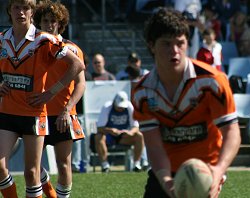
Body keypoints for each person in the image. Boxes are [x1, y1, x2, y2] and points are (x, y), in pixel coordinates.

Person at [131, 8, 241, 198]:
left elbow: (231, 132)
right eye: (166, 44)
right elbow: (154, 146)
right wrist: (166, 181)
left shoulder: (212, 81)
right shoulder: (142, 92)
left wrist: (218, 171)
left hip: (205, 172)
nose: (174, 51)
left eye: (180, 43)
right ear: (151, 45)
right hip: (166, 172)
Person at [0, 0, 85, 197]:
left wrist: (51, 92)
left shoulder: (44, 40)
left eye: (25, 8)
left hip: (35, 114)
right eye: (16, 7)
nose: (20, 12)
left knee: (32, 173)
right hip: (7, 112)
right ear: (9, 11)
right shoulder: (2, 38)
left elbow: (77, 66)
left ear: (32, 12)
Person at [33, 1, 86, 197]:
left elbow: (81, 84)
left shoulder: (72, 49)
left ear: (60, 24)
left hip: (63, 114)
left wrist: (67, 109)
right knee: (34, 166)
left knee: (64, 166)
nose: (49, 24)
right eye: (45, 20)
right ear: (39, 22)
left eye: (53, 21)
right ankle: (51, 194)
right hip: (36, 113)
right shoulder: (33, 48)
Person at [95, 91, 146, 172]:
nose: (120, 109)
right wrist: (110, 130)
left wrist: (130, 132)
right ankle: (105, 165)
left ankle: (136, 164)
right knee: (98, 137)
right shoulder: (107, 107)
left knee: (139, 136)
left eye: (122, 107)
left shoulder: (129, 107)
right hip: (109, 136)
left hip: (123, 136)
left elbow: (136, 126)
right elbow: (99, 128)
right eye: (119, 106)